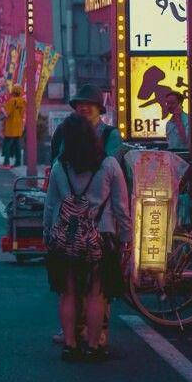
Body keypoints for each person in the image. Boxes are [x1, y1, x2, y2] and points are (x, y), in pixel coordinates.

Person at [43, 112, 131, 362]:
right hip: (101, 237)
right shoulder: (108, 165)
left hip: (67, 237)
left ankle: (70, 344)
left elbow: (51, 205)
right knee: (97, 293)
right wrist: (125, 237)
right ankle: (93, 345)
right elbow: (121, 207)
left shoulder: (60, 166)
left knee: (68, 292)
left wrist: (47, 234)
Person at [51, 83, 123, 164]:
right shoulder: (64, 130)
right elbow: (56, 164)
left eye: (89, 103)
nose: (84, 108)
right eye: (80, 104)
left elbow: (111, 168)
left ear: (99, 108)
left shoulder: (110, 134)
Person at [1, 83, 25, 166]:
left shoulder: (11, 101)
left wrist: (2, 107)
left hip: (11, 126)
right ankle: (18, 162)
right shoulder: (23, 101)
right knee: (17, 144)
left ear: (13, 91)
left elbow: (6, 113)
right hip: (19, 126)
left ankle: (6, 161)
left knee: (7, 144)